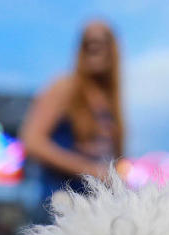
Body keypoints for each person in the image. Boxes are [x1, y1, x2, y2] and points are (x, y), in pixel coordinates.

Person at [20, 20, 124, 223]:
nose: (94, 45)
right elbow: (31, 140)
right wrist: (88, 170)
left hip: (96, 210)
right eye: (88, 41)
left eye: (102, 40)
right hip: (59, 208)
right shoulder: (65, 87)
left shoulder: (110, 100)